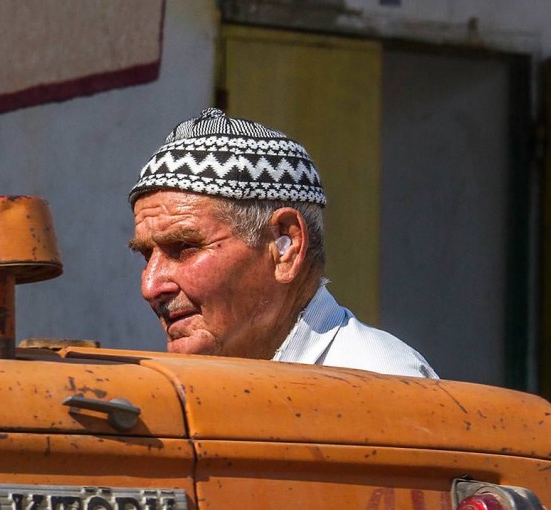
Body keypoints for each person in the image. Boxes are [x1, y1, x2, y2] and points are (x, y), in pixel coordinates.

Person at [128, 108, 437, 378]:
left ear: (285, 245)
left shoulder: (378, 384)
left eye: (184, 248)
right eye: (146, 255)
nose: (150, 287)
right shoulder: (191, 381)